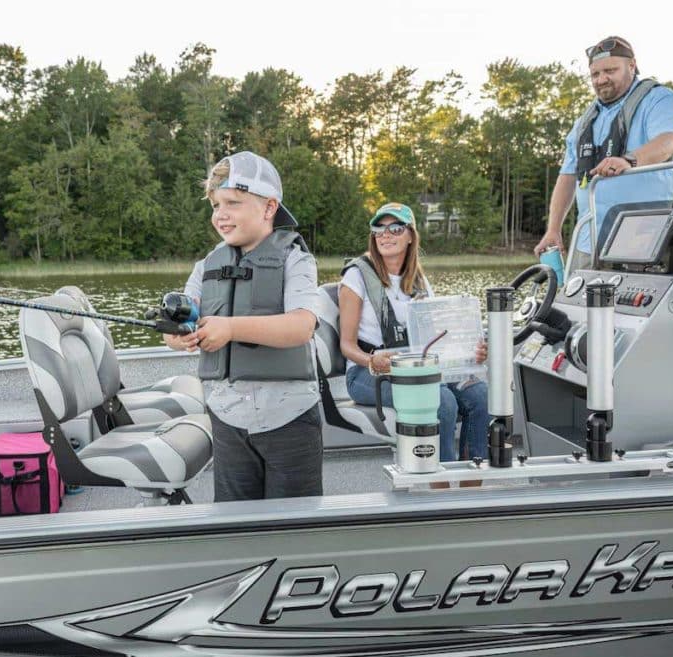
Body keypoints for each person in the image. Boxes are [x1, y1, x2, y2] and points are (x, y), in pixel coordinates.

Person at [163, 151, 323, 502]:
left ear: (269, 208)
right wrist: (176, 332)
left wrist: (231, 328)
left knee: (296, 526)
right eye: (215, 206)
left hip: (290, 418)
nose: (220, 215)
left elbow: (301, 327)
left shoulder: (297, 260)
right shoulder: (207, 264)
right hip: (227, 419)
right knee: (235, 523)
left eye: (232, 203)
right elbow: (179, 323)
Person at [339, 202, 489, 465]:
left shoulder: (419, 281)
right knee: (441, 401)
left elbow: (435, 341)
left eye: (395, 228)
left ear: (410, 236)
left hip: (415, 368)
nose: (386, 235)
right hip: (367, 373)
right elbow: (347, 346)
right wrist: (372, 361)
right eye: (380, 228)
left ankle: (471, 478)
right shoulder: (356, 276)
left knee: (479, 395)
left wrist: (468, 353)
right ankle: (440, 481)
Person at [534, 36, 673, 270]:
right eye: (595, 74)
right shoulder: (583, 121)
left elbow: (668, 143)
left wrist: (628, 159)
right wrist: (553, 230)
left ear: (632, 65)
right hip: (587, 242)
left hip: (640, 240)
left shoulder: (660, 98)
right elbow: (567, 176)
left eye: (610, 70)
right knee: (570, 304)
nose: (601, 79)